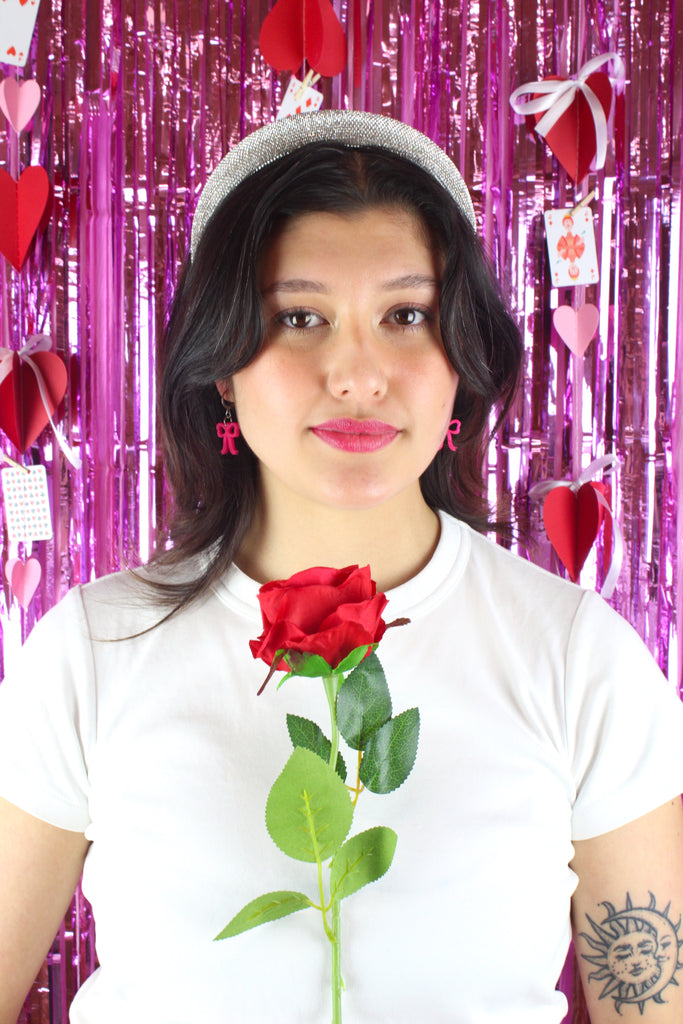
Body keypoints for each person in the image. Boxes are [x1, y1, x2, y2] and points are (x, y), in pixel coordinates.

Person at [0, 109, 682, 1024]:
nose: (358, 375)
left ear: (460, 359)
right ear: (222, 368)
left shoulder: (575, 656)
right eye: (299, 317)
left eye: (406, 315)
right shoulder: (94, 649)